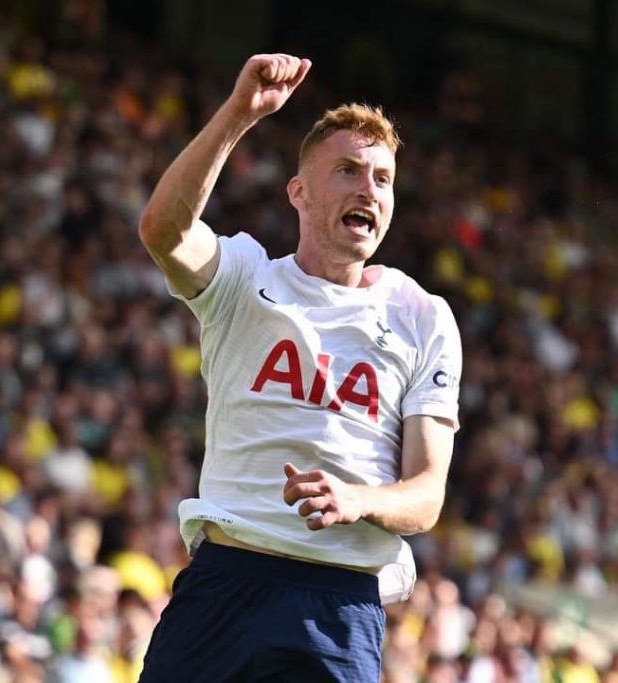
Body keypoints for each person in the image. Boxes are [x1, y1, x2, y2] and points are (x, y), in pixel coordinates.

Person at [137, 53, 462, 681]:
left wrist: (356, 498)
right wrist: (239, 114)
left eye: (383, 178)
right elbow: (163, 231)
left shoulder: (423, 316)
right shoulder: (243, 277)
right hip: (227, 584)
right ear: (299, 192)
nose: (369, 189)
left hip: (338, 606)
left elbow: (426, 497)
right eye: (348, 171)